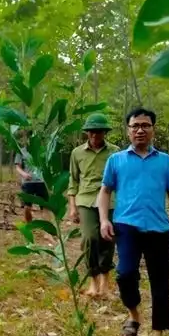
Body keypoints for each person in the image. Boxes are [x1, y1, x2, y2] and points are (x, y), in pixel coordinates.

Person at [98, 107, 169, 336]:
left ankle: (158, 332)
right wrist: (104, 219)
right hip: (126, 226)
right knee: (125, 274)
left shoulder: (166, 161)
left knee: (160, 280)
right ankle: (134, 315)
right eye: (135, 126)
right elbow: (105, 190)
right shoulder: (116, 160)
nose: (140, 130)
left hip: (158, 228)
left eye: (145, 125)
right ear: (128, 131)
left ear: (153, 130)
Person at [67, 113, 121, 298]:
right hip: (86, 199)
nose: (95, 136)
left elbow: (121, 179)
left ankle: (105, 283)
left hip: (111, 199)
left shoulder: (115, 152)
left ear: (105, 132)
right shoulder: (77, 153)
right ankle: (93, 280)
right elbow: (73, 181)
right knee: (90, 238)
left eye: (99, 132)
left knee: (108, 238)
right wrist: (72, 206)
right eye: (91, 132)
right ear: (86, 133)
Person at [13, 130, 49, 233]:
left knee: (45, 206)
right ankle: (29, 226)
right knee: (27, 207)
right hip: (28, 183)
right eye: (30, 138)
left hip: (41, 182)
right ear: (26, 139)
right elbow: (17, 167)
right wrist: (24, 174)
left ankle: (47, 231)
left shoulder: (42, 152)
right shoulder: (21, 151)